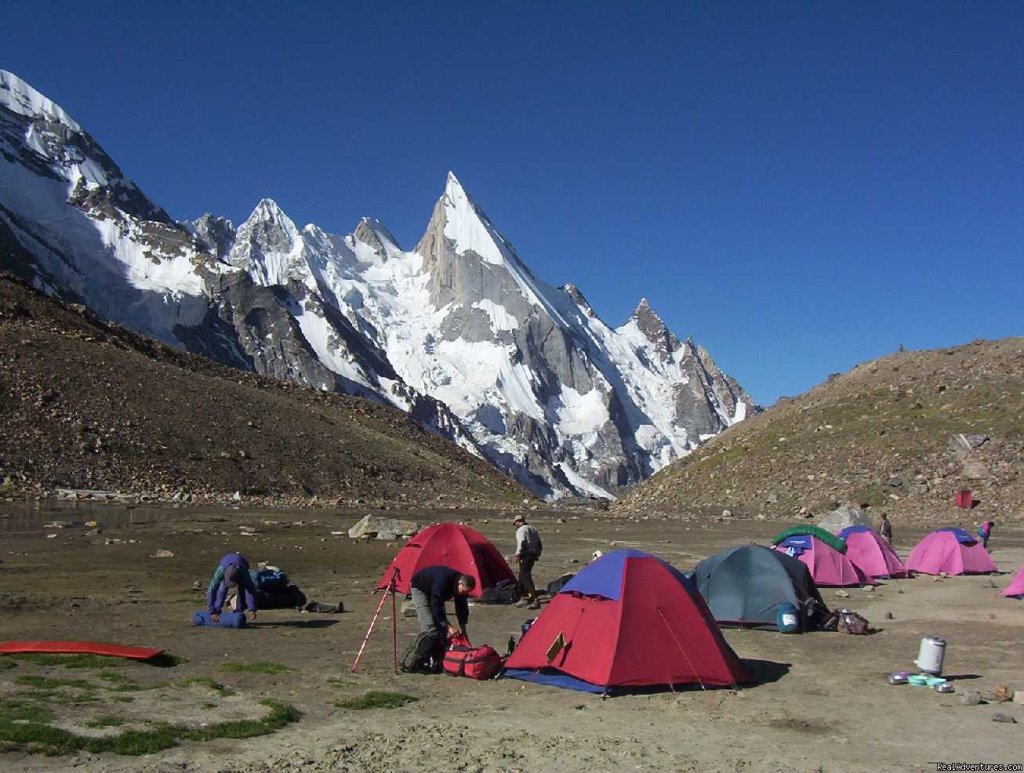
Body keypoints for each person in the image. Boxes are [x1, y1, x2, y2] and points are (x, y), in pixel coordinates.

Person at [410, 566, 475, 639]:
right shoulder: (442, 582)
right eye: (463, 591)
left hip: (436, 591)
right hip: (420, 588)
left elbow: (462, 607)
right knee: (429, 627)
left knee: (442, 629)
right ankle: (427, 647)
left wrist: (463, 630)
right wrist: (449, 627)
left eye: (466, 593)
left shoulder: (462, 587)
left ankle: (441, 647)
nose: (463, 594)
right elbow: (436, 607)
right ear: (460, 583)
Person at [207, 552, 258, 623]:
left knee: (242, 591)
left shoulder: (244, 574)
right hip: (226, 562)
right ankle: (217, 610)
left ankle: (239, 612)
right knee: (222, 589)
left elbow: (250, 590)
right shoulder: (220, 571)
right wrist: (212, 611)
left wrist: (252, 609)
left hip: (242, 565)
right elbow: (211, 590)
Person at [512, 515, 543, 609]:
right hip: (533, 554)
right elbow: (539, 543)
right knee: (522, 575)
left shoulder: (521, 530)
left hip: (525, 554)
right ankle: (524, 597)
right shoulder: (532, 529)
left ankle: (534, 599)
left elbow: (521, 543)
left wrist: (517, 554)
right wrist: (537, 554)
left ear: (517, 522)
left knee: (526, 576)